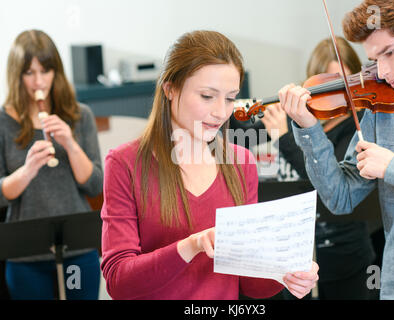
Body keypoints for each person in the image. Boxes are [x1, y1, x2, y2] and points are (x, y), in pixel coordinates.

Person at [100, 30, 319, 300]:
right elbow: (119, 282)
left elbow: (248, 285)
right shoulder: (124, 164)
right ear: (170, 88)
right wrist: (190, 246)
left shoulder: (241, 162)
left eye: (230, 98)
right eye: (207, 96)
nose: (220, 112)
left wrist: (285, 274)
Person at [278, 0, 394, 300]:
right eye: (374, 59)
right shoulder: (380, 111)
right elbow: (340, 197)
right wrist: (308, 128)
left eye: (390, 52)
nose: (381, 72)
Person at [261, 37, 376, 300]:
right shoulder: (297, 116)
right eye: (328, 82)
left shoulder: (358, 127)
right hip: (294, 254)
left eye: (344, 81)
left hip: (344, 254)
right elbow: (244, 129)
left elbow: (326, 179)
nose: (338, 91)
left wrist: (284, 138)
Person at [0, 30, 103, 299]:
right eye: (29, 73)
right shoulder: (3, 122)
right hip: (25, 254)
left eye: (45, 71)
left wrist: (69, 143)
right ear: (16, 75)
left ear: (56, 72)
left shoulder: (80, 115)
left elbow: (95, 186)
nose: (38, 82)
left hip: (79, 249)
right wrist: (28, 170)